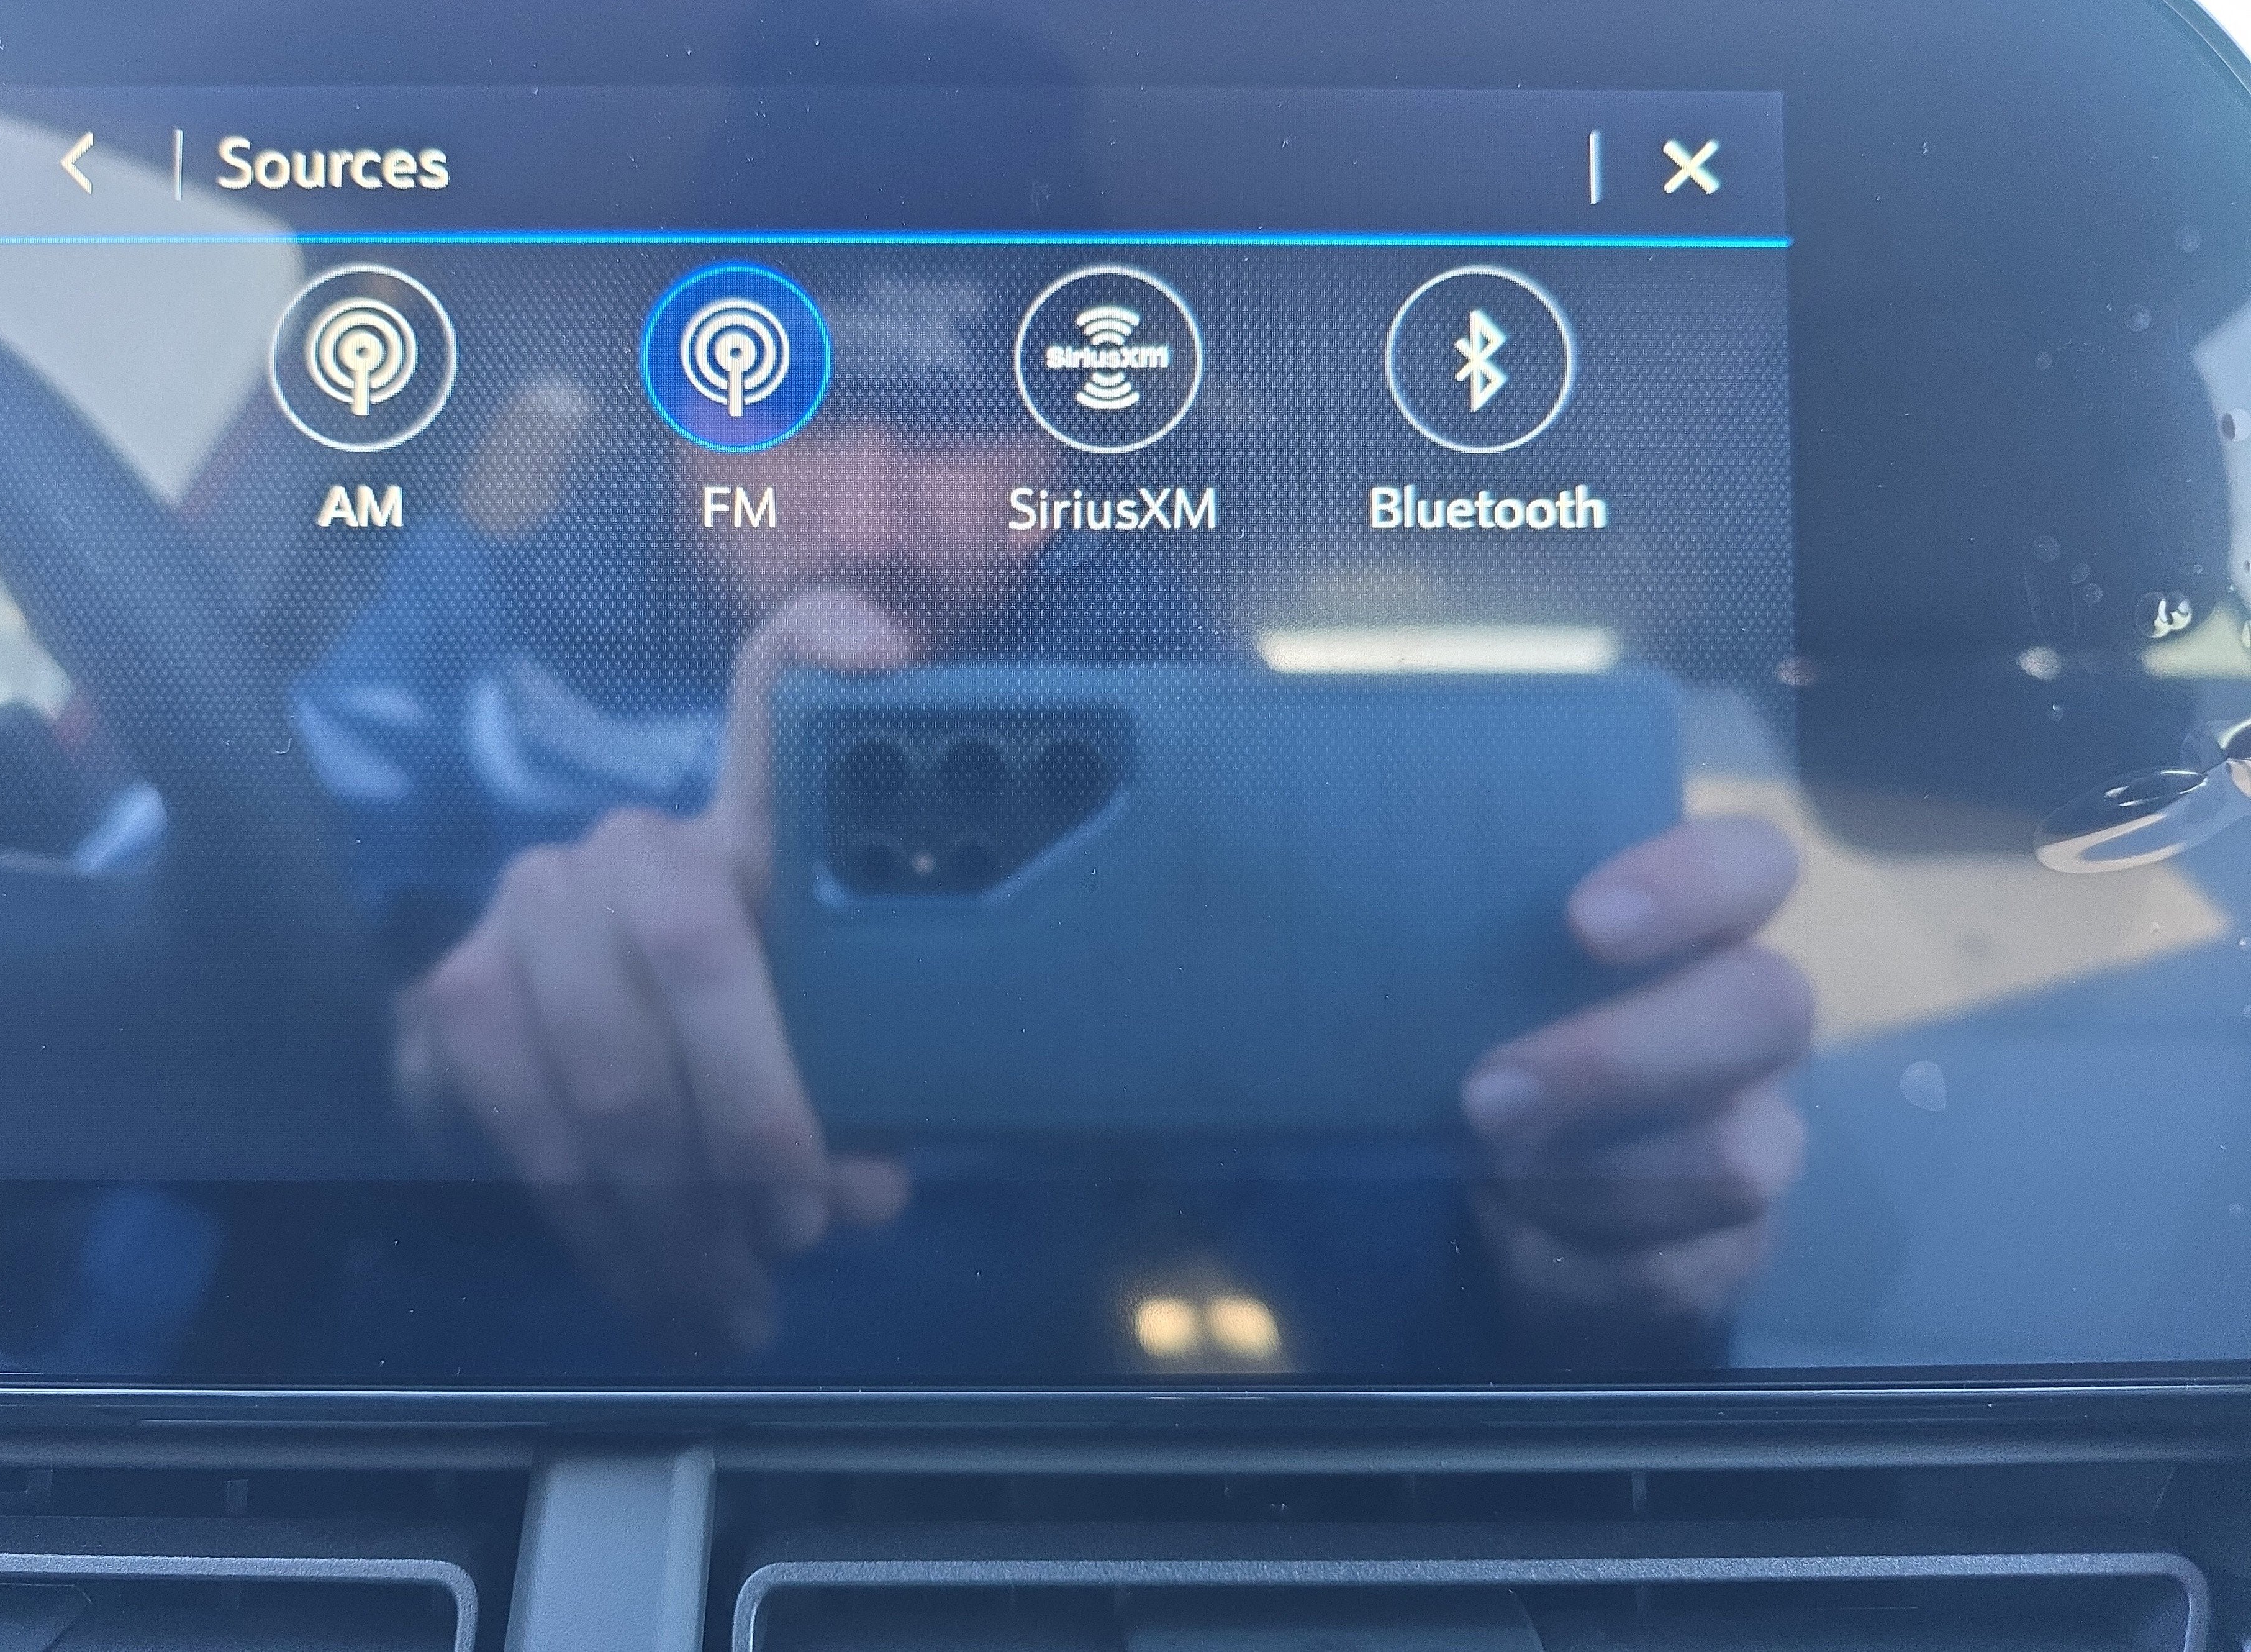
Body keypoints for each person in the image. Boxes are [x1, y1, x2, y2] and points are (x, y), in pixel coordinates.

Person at [297, 376, 1812, 1376]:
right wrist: (408, 1044)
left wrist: (1560, 1280)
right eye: (779, 403)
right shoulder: (466, 603)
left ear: (1068, 442)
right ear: (677, 415)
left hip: (1025, 1471)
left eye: (957, 423)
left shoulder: (1197, 706)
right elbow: (197, 946)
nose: (865, 518)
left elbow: (1334, 1257)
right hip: (425, 1427)